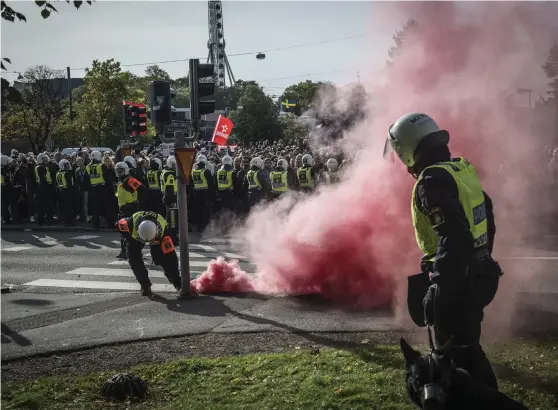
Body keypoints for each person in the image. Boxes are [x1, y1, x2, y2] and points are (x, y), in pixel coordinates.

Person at [385, 112, 503, 390]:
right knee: (468, 351)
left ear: (408, 148)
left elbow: (454, 235)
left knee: (454, 360)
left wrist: (439, 285)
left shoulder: (431, 180)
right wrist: (481, 259)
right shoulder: (459, 169)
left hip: (457, 282)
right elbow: (487, 216)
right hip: (475, 273)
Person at [117, 211, 182, 296]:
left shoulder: (163, 232)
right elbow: (119, 226)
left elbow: (172, 258)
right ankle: (145, 285)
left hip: (157, 240)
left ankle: (178, 284)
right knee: (133, 259)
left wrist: (156, 254)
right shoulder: (129, 224)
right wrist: (129, 238)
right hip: (135, 238)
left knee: (165, 259)